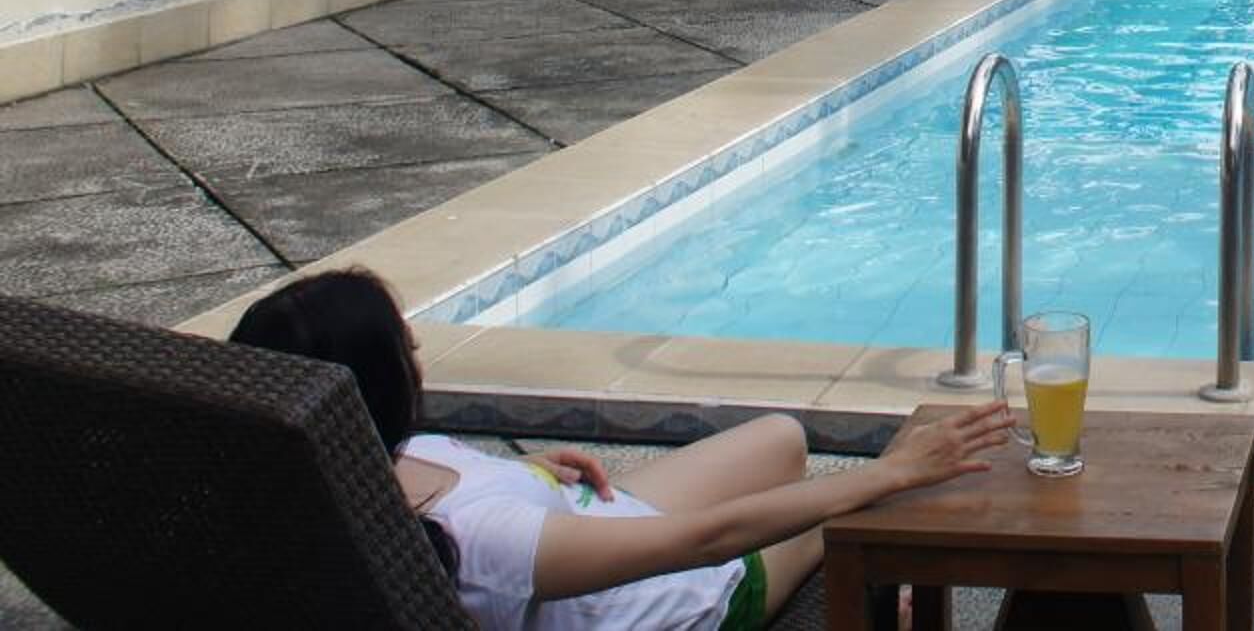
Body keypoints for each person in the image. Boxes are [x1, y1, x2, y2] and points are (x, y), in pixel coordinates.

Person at [231, 269, 1016, 629]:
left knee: (780, 438)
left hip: (587, 530)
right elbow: (702, 542)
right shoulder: (485, 542)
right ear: (377, 386)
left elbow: (487, 509)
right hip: (691, 594)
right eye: (405, 346)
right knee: (868, 505)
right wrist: (886, 473)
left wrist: (531, 471)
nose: (418, 352)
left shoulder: (332, 477)